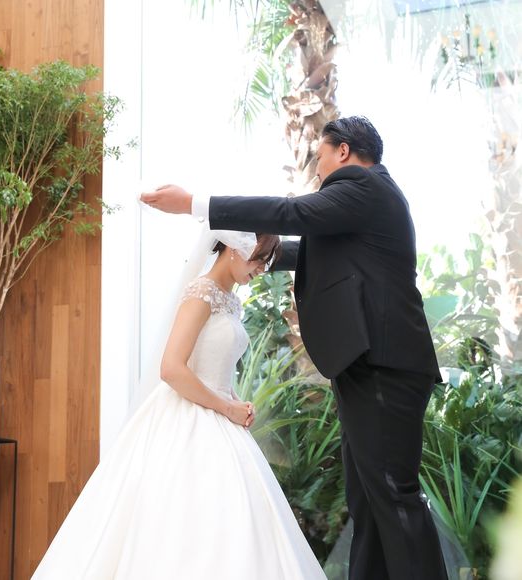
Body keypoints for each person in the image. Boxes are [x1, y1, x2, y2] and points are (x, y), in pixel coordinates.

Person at [141, 115, 449, 580]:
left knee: (391, 494)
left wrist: (194, 204)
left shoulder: (365, 188)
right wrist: (261, 254)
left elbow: (293, 213)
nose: (317, 168)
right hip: (369, 366)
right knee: (369, 503)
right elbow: (315, 251)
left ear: (343, 151)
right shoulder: (364, 209)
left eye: (319, 156)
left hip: (384, 366)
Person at [31, 228, 328, 580]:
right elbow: (172, 368)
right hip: (187, 420)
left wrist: (236, 401)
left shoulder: (231, 301)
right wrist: (226, 407)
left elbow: (215, 367)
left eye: (266, 262)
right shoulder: (201, 293)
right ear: (234, 247)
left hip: (220, 418)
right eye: (259, 259)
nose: (262, 269)